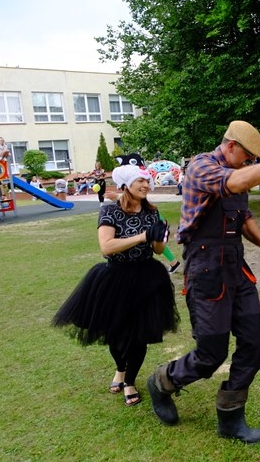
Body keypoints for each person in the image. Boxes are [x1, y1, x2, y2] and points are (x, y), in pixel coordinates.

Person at [146, 121, 260, 444]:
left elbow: (243, 216)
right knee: (210, 355)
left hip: (236, 267)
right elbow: (237, 181)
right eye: (248, 157)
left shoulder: (237, 172)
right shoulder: (202, 166)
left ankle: (230, 417)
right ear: (230, 146)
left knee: (254, 345)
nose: (250, 164)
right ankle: (162, 381)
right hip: (205, 269)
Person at [52, 162, 179, 407]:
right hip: (115, 279)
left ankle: (129, 381)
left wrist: (160, 237)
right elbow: (107, 246)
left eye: (147, 181)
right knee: (116, 334)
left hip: (146, 278)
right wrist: (143, 235)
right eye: (140, 180)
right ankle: (120, 368)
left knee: (140, 335)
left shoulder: (152, 212)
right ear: (126, 185)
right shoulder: (111, 211)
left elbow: (157, 249)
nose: (145, 184)